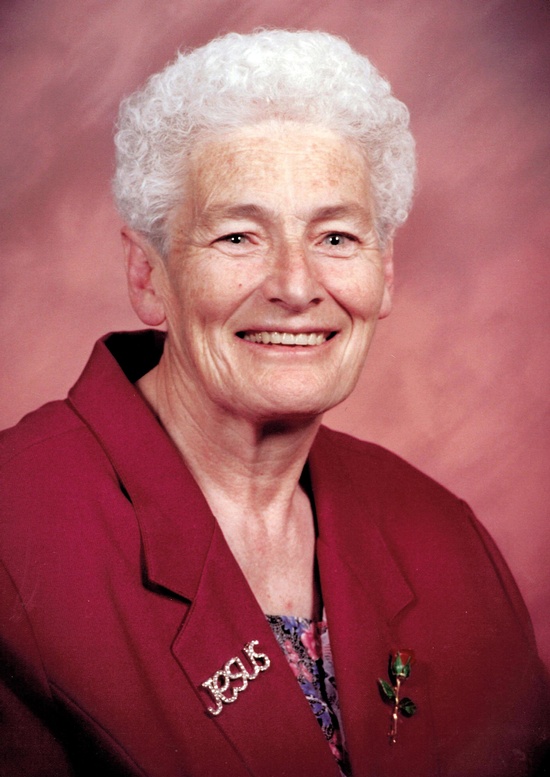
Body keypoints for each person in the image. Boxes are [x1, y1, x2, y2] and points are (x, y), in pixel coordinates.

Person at [0, 30, 548, 777]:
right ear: (147, 275)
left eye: (336, 236)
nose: (295, 285)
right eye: (238, 236)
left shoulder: (449, 539)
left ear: (385, 274)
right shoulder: (16, 536)